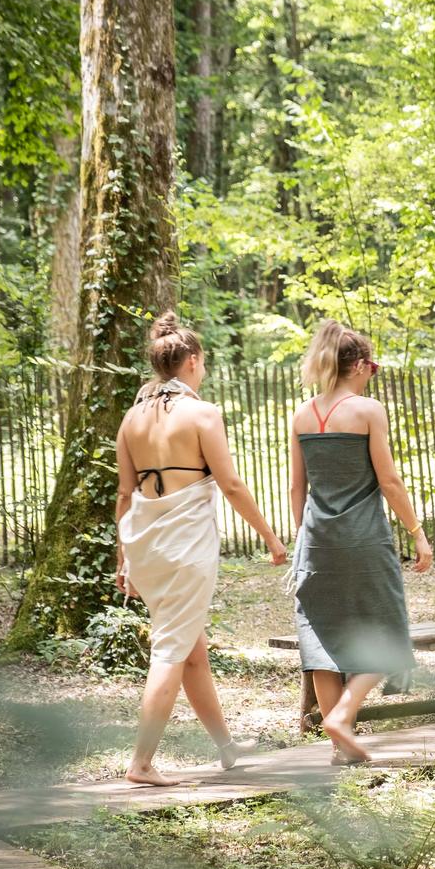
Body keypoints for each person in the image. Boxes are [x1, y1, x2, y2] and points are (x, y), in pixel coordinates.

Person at [115, 314, 288, 787]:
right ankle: (142, 763)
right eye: (203, 361)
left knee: (192, 649)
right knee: (171, 650)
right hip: (185, 547)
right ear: (192, 361)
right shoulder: (202, 414)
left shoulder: (131, 418)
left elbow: (124, 495)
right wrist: (271, 538)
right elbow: (230, 483)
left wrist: (122, 558)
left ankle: (226, 748)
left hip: (145, 545)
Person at [288, 321, 432, 764]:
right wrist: (417, 534)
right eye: (373, 366)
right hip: (365, 540)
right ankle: (341, 717)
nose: (374, 374)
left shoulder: (302, 414)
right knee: (386, 632)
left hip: (315, 542)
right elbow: (388, 480)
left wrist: (304, 538)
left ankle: (340, 748)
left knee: (322, 641)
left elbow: (297, 488)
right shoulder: (368, 410)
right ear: (360, 365)